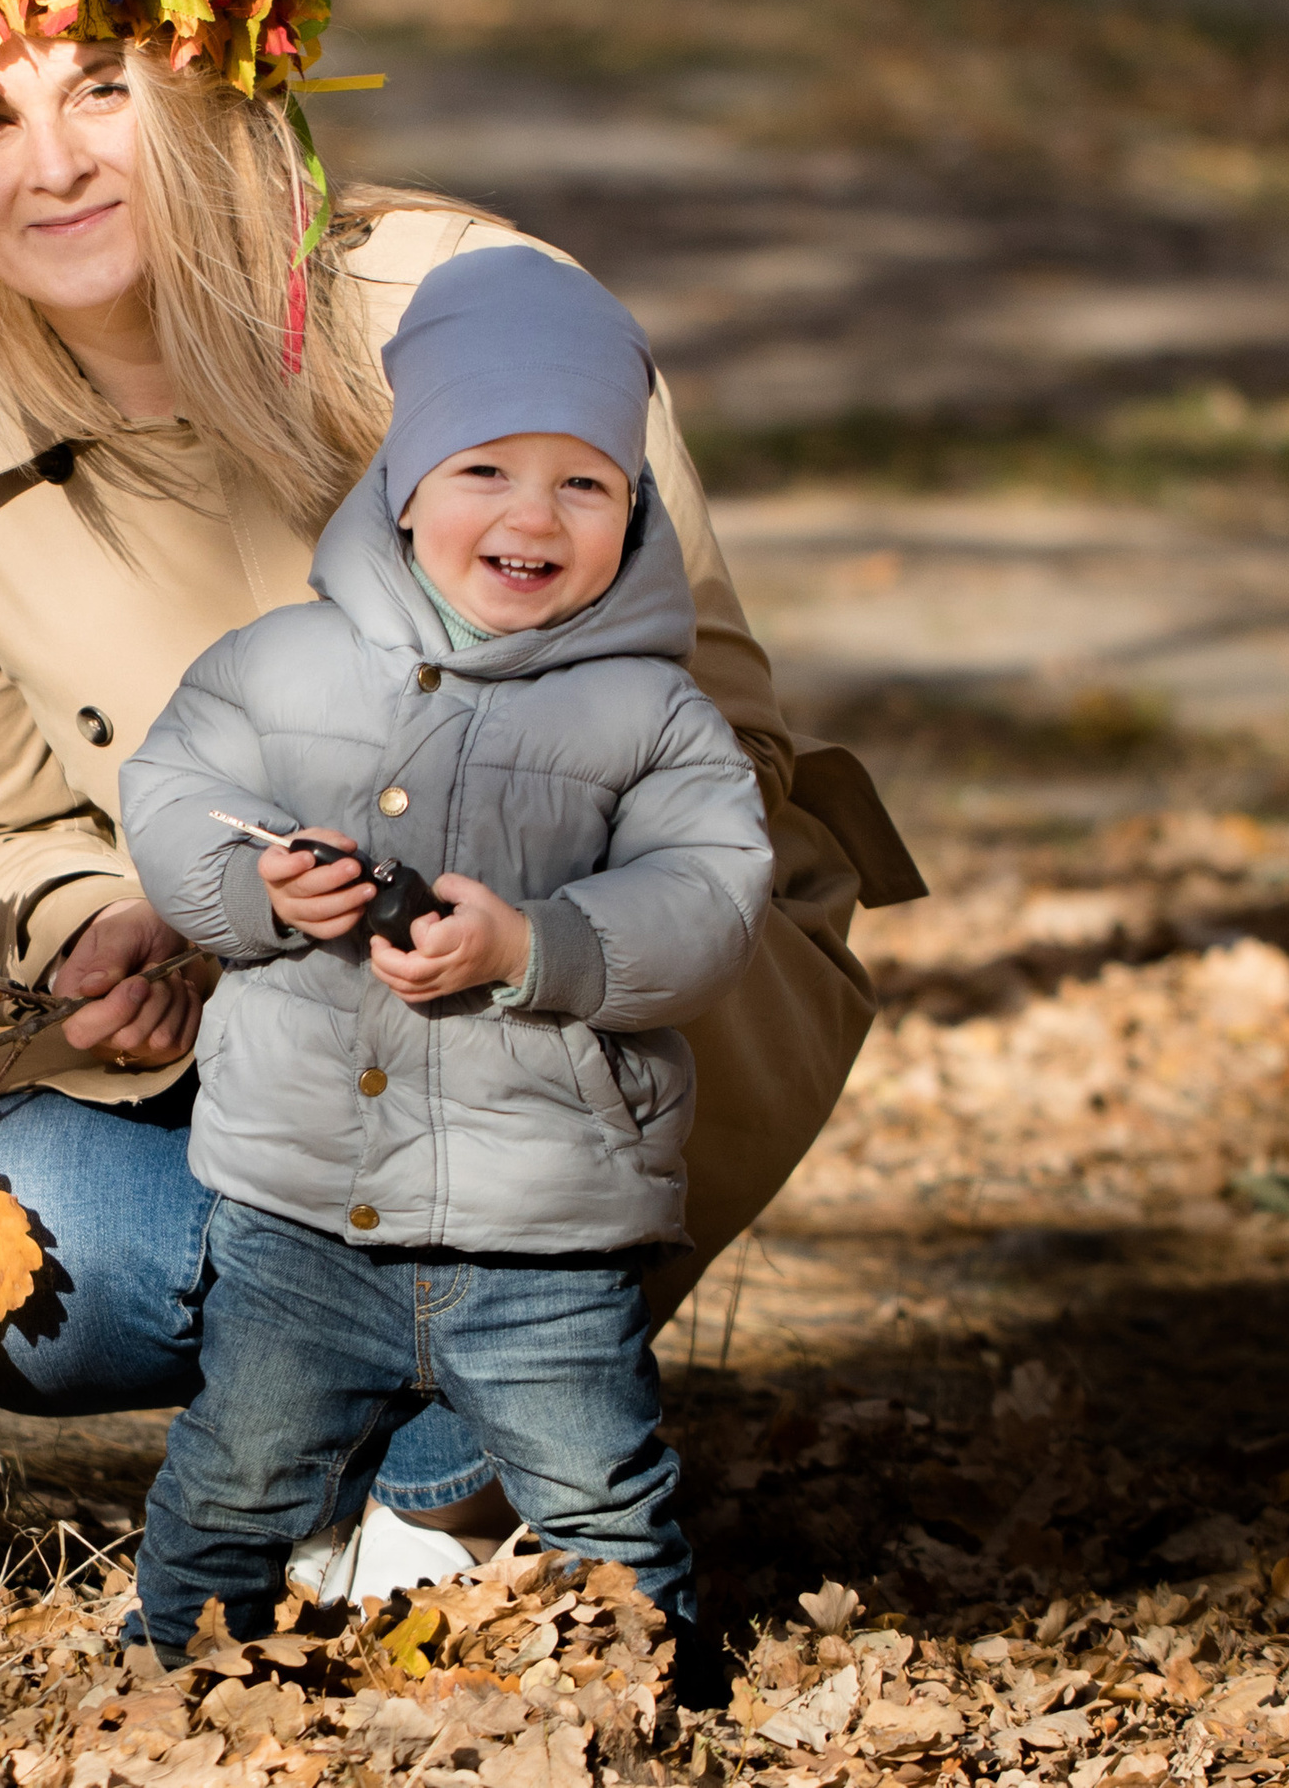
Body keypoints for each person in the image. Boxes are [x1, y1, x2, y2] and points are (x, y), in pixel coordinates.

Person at [0, 0, 916, 1594]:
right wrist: (97, 917)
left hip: (575, 988)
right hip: (251, 1043)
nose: (54, 165)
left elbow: (713, 744)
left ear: (212, 80)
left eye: (102, 87)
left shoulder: (472, 309)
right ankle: (391, 1402)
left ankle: (456, 1459)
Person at [117, 245, 771, 1657]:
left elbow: (711, 900)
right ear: (405, 487)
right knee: (235, 1477)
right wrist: (253, 891)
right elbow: (169, 790)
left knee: (602, 1492)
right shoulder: (280, 663)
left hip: (547, 1228)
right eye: (484, 469)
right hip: (301, 1210)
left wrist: (539, 943)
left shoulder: (652, 714)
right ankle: (172, 1677)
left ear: (635, 508)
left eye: (584, 484)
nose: (533, 514)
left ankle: (647, 1691)